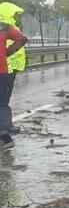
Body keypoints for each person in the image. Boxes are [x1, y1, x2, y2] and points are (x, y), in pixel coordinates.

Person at [0, 18, 27, 149]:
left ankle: (5, 138)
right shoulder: (3, 26)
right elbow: (22, 39)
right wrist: (7, 52)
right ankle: (6, 138)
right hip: (2, 72)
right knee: (2, 104)